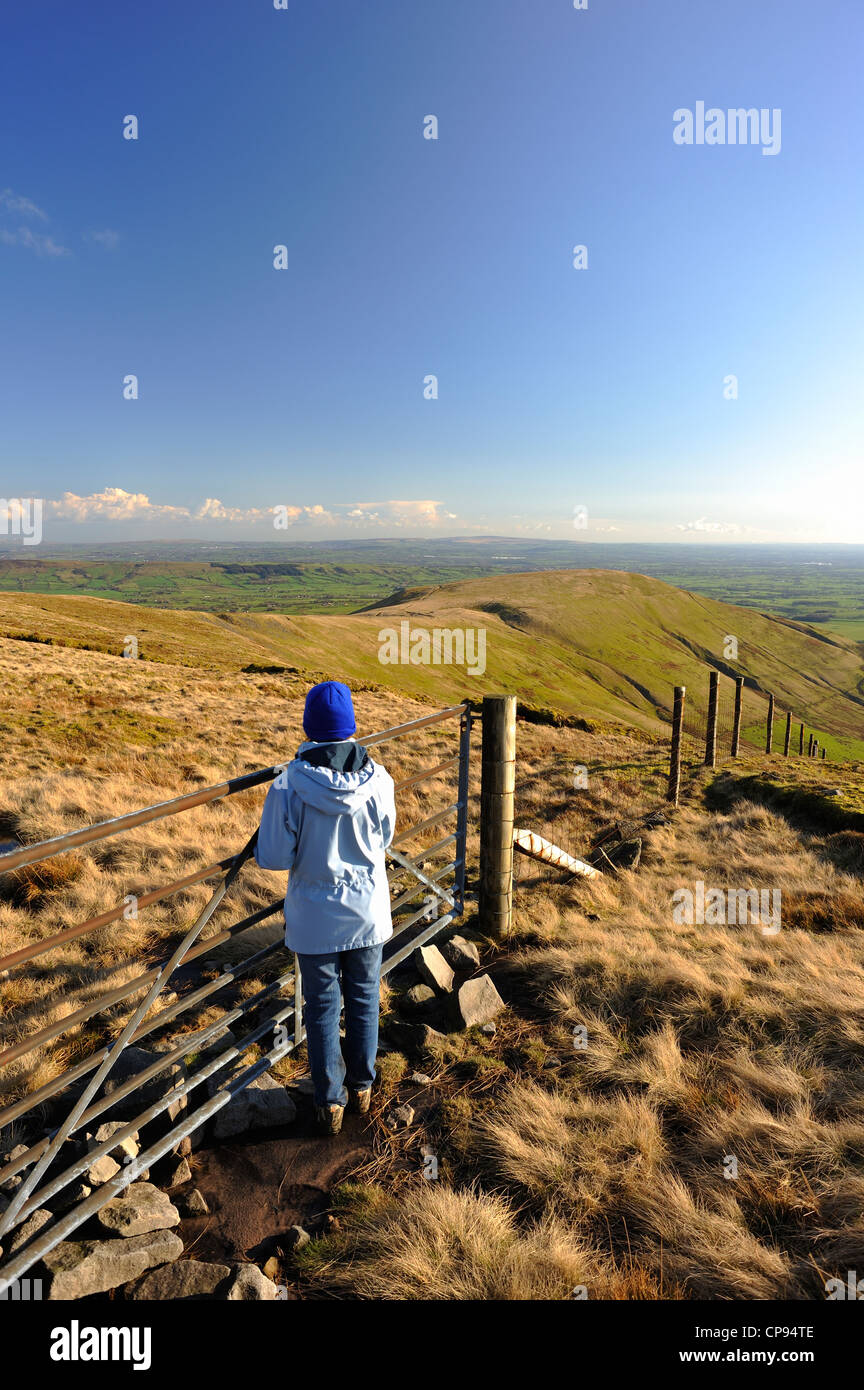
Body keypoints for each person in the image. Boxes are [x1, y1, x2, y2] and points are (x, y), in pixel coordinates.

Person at [254, 681, 396, 1134]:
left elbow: (273, 857)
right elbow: (385, 838)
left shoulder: (289, 785)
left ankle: (329, 1102)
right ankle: (362, 1087)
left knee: (320, 1006)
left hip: (316, 919)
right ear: (351, 726)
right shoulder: (380, 780)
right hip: (367, 911)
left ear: (309, 727)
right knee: (364, 998)